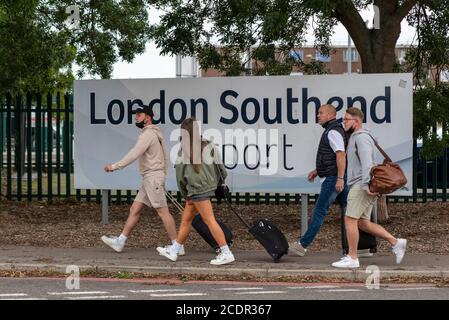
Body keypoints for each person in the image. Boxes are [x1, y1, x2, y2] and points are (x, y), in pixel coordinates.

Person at [331, 107, 407, 268]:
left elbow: (367, 162)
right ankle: (396, 242)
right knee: (362, 223)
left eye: (346, 119)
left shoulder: (361, 137)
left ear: (356, 121)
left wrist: (366, 184)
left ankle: (352, 258)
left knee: (350, 220)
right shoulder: (358, 137)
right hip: (362, 183)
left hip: (361, 185)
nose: (343, 122)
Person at [101, 105, 182, 254]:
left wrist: (114, 166)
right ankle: (120, 241)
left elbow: (134, 153)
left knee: (163, 212)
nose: (136, 117)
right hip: (150, 178)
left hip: (152, 178)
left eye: (139, 115)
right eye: (135, 115)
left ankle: (177, 246)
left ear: (148, 117)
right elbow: (164, 156)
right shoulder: (154, 133)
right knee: (135, 209)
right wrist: (162, 174)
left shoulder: (148, 134)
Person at [157, 118, 235, 265]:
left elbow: (180, 176)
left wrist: (185, 194)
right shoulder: (210, 146)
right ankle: (175, 250)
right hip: (206, 189)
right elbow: (221, 168)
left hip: (196, 191)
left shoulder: (184, 150)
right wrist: (219, 184)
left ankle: (226, 252)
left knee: (209, 221)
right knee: (186, 220)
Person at [290, 104, 349, 256]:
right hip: (335, 176)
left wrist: (340, 179)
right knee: (349, 213)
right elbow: (330, 157)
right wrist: (317, 171)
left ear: (330, 115)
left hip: (333, 179)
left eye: (321, 113)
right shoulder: (334, 130)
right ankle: (358, 248)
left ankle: (302, 245)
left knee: (319, 212)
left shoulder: (333, 132)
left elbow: (340, 155)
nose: (318, 115)